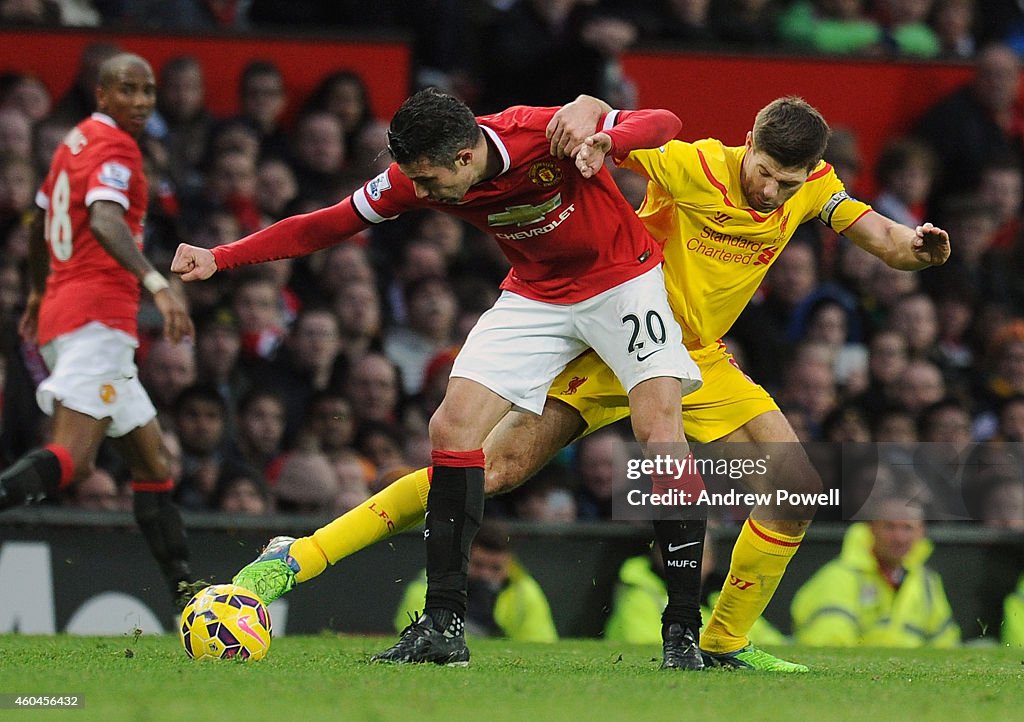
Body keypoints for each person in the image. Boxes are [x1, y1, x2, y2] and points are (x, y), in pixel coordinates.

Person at [225, 93, 949, 672]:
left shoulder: (810, 184)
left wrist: (917, 249)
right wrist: (602, 129)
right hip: (612, 330)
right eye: (765, 173)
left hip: (699, 357)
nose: (772, 191)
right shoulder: (695, 165)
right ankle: (301, 555)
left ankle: (722, 645)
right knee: (494, 466)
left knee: (793, 496)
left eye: (787, 184)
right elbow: (638, 138)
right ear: (747, 145)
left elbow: (881, 237)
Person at [172, 88, 704, 668]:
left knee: (660, 432)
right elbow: (323, 225)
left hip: (621, 281)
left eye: (427, 182)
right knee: (451, 429)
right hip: (537, 295)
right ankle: (444, 626)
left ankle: (682, 632)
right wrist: (221, 256)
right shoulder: (415, 174)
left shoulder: (541, 131)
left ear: (464, 157)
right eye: (412, 181)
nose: (419, 195)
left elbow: (668, 118)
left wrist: (608, 133)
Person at [0, 53, 196, 608]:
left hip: (68, 313)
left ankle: (186, 589)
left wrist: (39, 290)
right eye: (128, 90)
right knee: (73, 459)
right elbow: (106, 217)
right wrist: (156, 283)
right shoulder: (115, 149)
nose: (141, 101)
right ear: (102, 95)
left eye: (149, 91)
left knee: (152, 461)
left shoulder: (74, 142)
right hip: (98, 320)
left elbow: (40, 221)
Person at [791, 497, 960, 647]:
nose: (899, 537)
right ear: (871, 528)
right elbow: (829, 643)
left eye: (907, 528)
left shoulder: (927, 581)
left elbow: (946, 642)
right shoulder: (840, 576)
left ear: (921, 532)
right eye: (889, 527)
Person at [394, 523, 558, 643]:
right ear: (463, 559)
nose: (485, 575)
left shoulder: (525, 591)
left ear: (509, 565)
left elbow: (541, 642)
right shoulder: (429, 585)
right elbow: (416, 639)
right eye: (478, 565)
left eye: (496, 568)